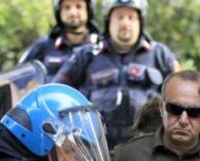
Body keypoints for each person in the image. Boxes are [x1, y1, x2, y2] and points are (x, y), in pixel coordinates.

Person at [53, 0, 179, 148]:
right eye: (119, 17)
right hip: (97, 153)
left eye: (131, 17)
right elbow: (56, 95)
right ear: (108, 21)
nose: (125, 23)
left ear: (141, 21)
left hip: (149, 152)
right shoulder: (86, 55)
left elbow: (183, 99)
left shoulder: (161, 55)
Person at [21, 0, 99, 78]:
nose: (73, 13)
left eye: (79, 6)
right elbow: (18, 78)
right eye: (67, 7)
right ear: (58, 12)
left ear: (89, 10)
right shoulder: (41, 47)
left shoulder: (100, 47)